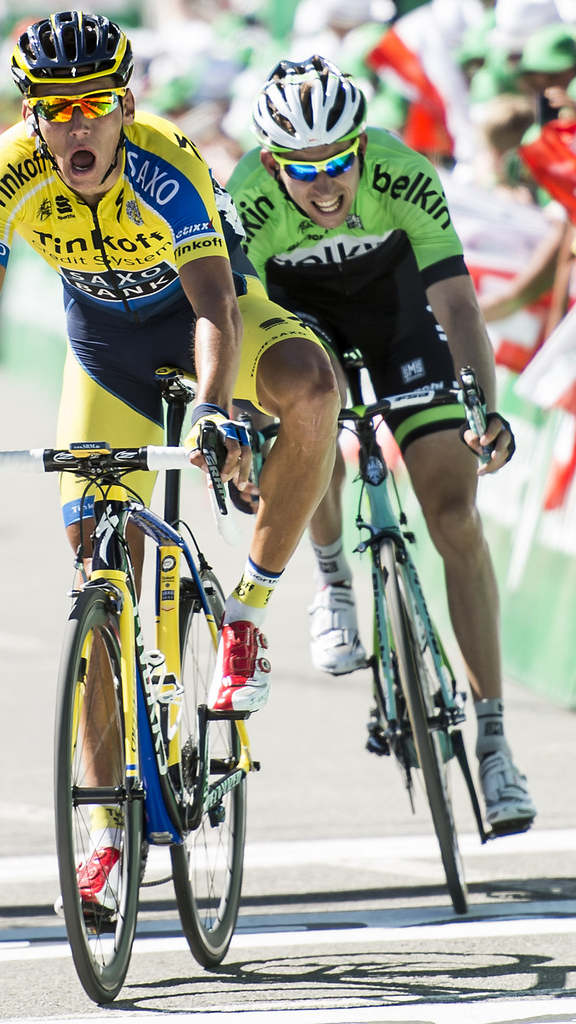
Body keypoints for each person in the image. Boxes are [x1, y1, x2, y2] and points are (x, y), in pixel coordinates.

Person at [0, 13, 340, 906]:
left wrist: (219, 411)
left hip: (205, 324)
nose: (76, 128)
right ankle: (106, 832)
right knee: (99, 589)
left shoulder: (165, 161)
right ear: (31, 114)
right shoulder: (9, 169)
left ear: (126, 104)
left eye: (95, 106)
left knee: (309, 388)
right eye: (54, 109)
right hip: (103, 349)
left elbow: (216, 306)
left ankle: (247, 612)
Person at [227, 55, 536, 833]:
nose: (326, 184)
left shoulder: (401, 172)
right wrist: (244, 421)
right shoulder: (247, 197)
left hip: (402, 322)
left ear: (361, 148)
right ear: (272, 164)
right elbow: (237, 327)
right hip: (303, 324)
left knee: (453, 516)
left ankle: (494, 741)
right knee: (309, 423)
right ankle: (331, 581)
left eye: (339, 163)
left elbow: (459, 305)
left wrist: (481, 411)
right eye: (304, 170)